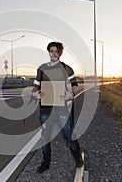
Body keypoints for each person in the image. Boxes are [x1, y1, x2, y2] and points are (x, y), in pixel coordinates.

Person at [32, 42, 84, 173]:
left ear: (60, 53)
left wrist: (71, 94)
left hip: (61, 108)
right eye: (51, 51)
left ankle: (78, 159)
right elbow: (35, 87)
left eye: (56, 51)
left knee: (69, 136)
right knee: (45, 137)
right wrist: (35, 94)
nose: (53, 54)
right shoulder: (42, 69)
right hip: (45, 108)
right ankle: (46, 163)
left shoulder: (66, 69)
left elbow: (75, 85)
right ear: (48, 52)